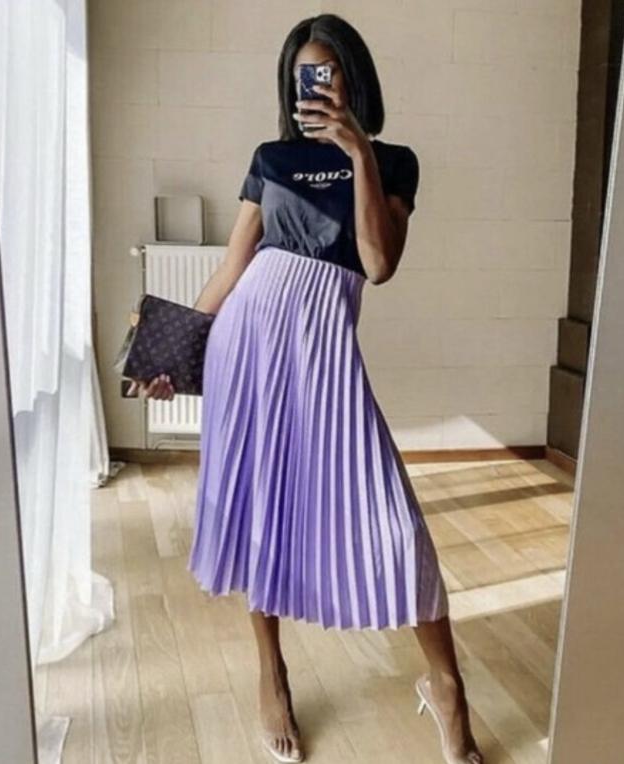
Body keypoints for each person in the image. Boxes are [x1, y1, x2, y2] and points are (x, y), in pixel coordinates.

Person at [132, 13, 484, 764]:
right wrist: (171, 351)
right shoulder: (272, 159)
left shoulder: (394, 162)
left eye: (329, 71)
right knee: (258, 508)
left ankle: (447, 687)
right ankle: (272, 672)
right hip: (247, 345)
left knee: (394, 523)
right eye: (304, 74)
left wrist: (358, 152)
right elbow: (233, 268)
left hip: (326, 360)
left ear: (354, 78)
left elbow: (378, 264)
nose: (316, 85)